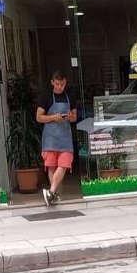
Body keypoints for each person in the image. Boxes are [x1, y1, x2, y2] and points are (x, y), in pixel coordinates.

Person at [36, 70, 77, 206]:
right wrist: (54, 117)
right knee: (52, 166)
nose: (60, 87)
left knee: (64, 164)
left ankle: (51, 191)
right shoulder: (46, 97)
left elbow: (74, 117)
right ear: (52, 82)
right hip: (50, 138)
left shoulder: (70, 96)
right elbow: (39, 117)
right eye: (57, 84)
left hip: (65, 137)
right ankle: (53, 194)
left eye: (62, 84)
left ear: (65, 82)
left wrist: (70, 116)